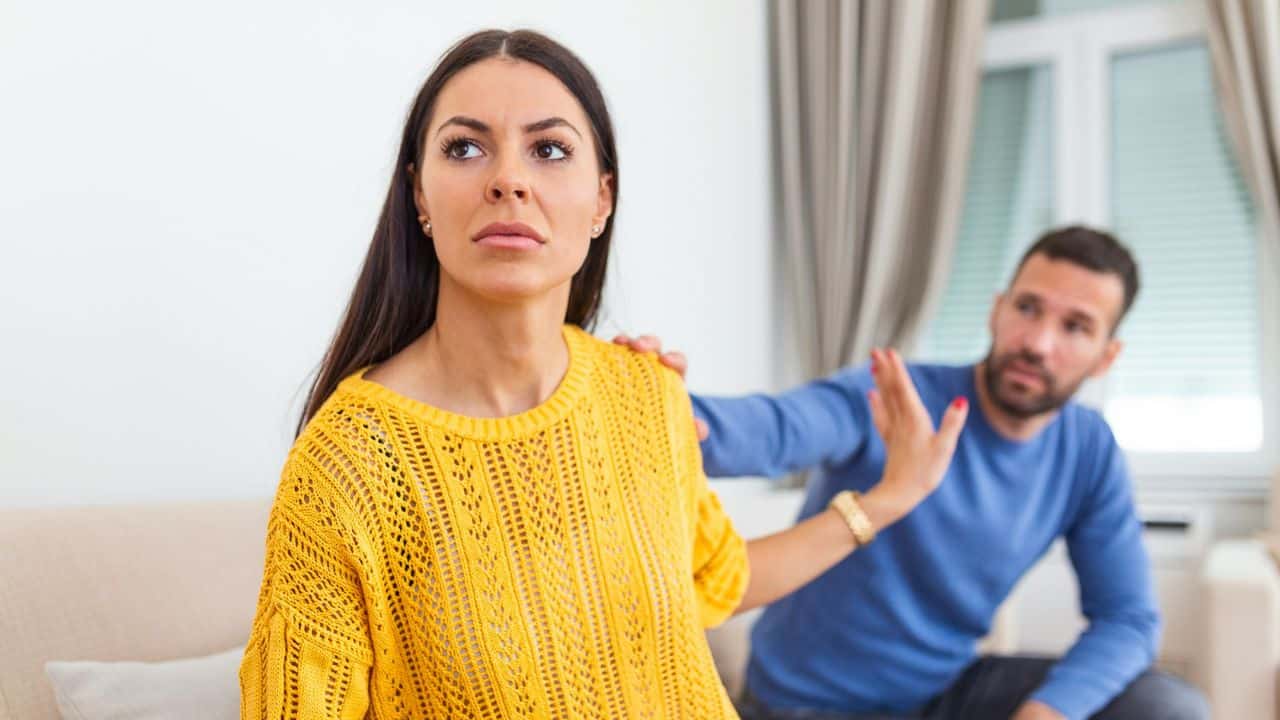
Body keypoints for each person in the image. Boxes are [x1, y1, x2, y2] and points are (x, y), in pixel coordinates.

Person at [238, 29, 968, 719]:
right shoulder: (349, 463)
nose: (509, 180)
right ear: (420, 197)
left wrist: (892, 497)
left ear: (602, 200)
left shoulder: (644, 392)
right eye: (465, 148)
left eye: (549, 149)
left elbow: (715, 579)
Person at [619, 227, 1210, 720]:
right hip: (807, 706)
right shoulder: (895, 395)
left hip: (941, 696)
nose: (1038, 342)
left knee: (1167, 707)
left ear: (1107, 356)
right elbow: (771, 429)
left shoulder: (1087, 450)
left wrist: (1048, 712)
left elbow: (1128, 620)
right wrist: (651, 406)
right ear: (997, 309)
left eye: (1076, 326)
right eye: (1027, 308)